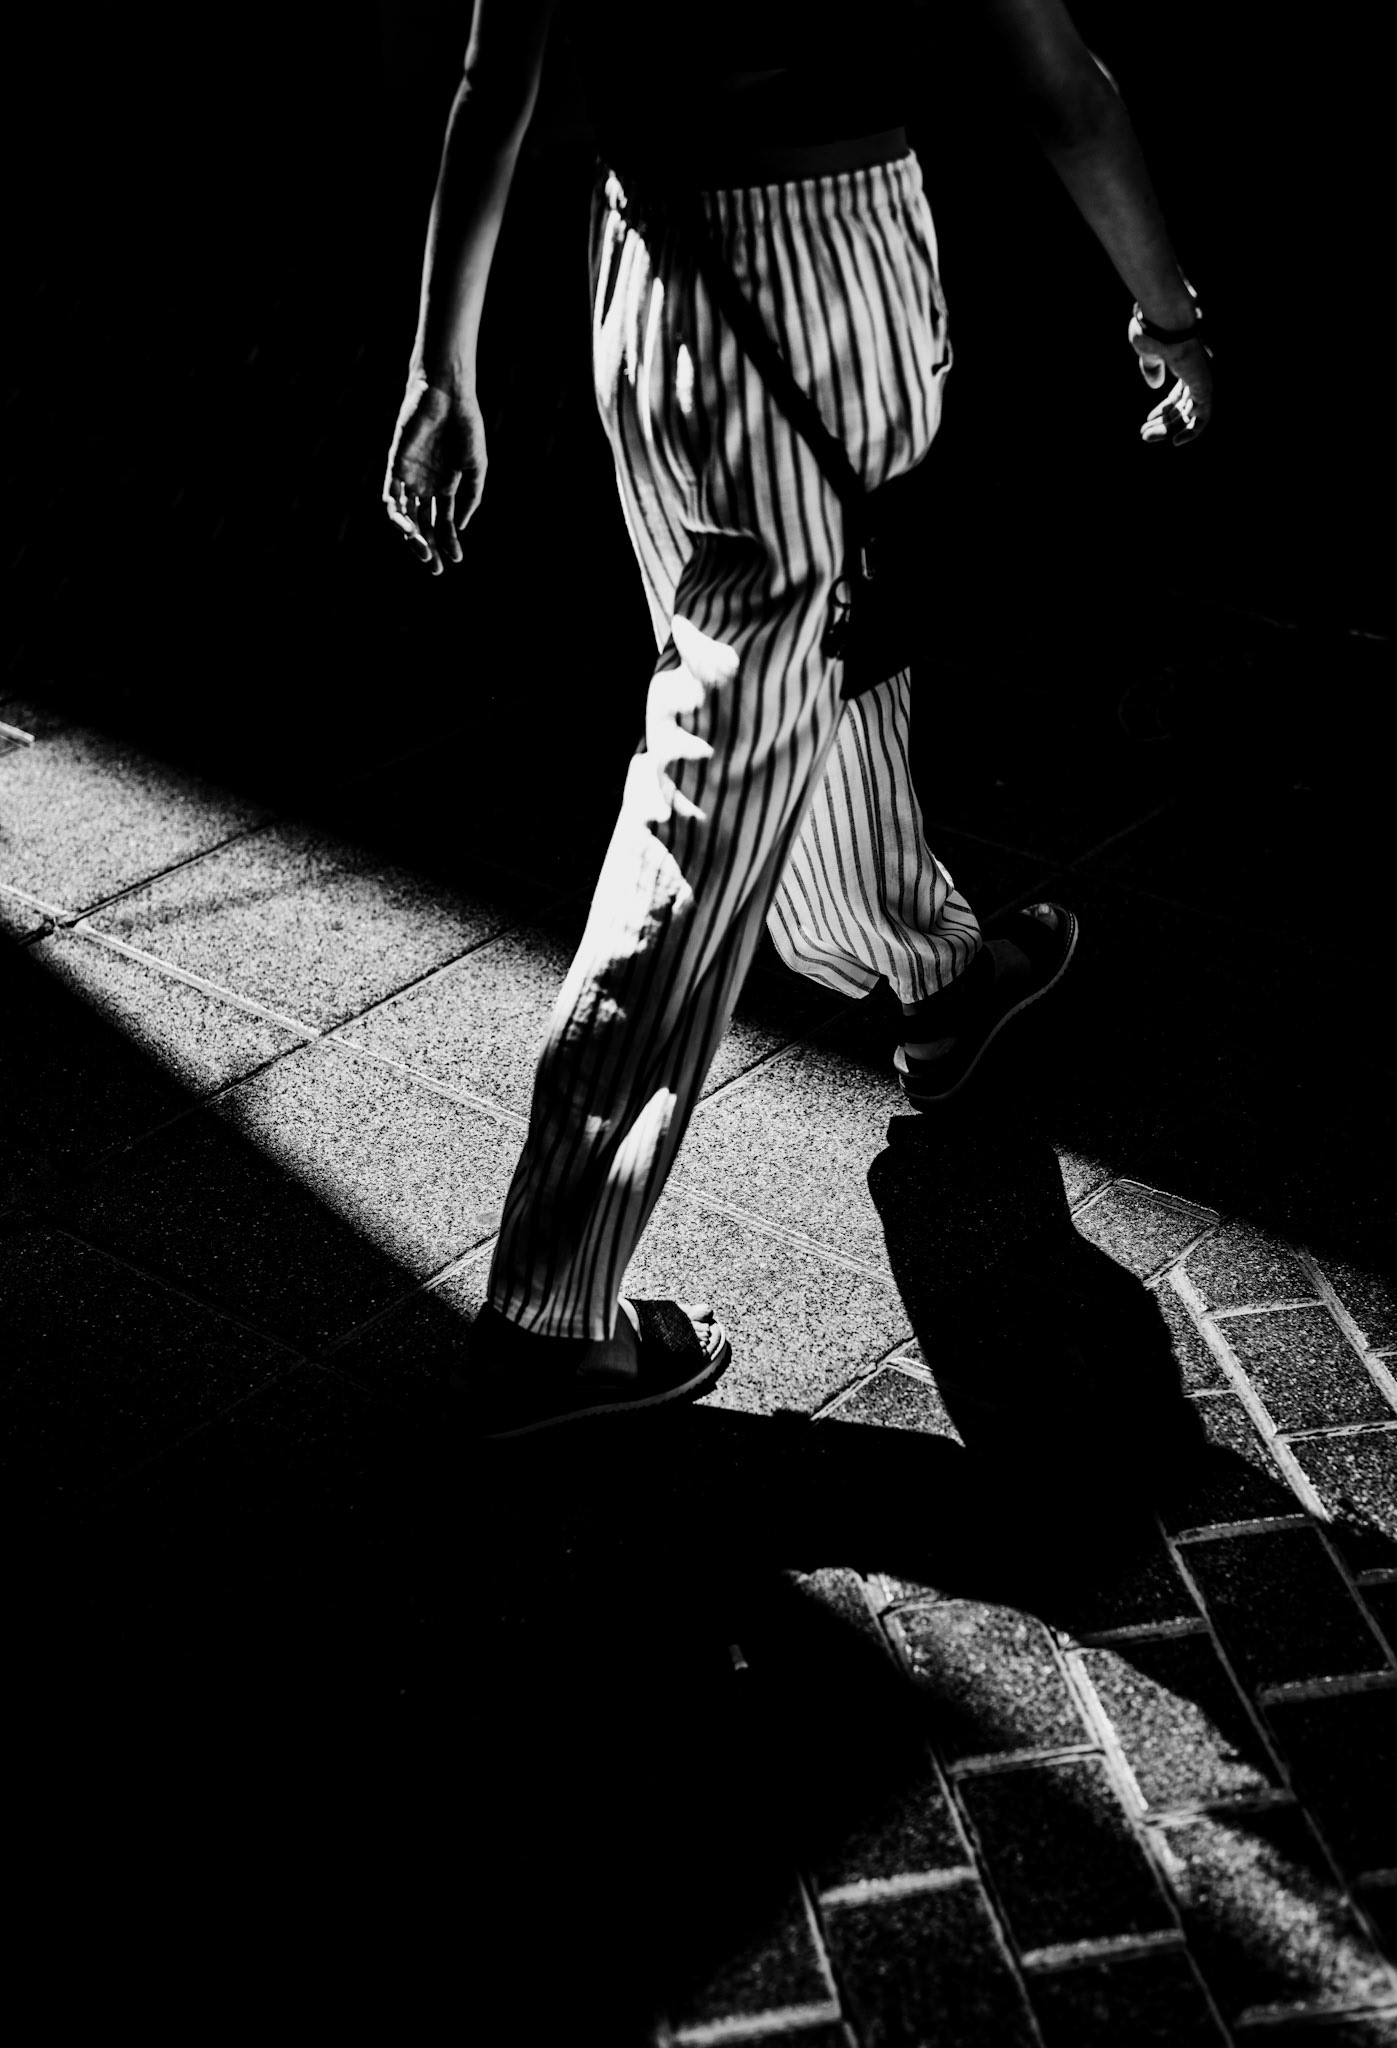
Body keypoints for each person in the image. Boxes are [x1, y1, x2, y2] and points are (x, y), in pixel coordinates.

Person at [382, 0, 1214, 1439]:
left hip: (650, 265)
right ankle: (548, 1300)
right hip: (826, 257)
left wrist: (437, 364)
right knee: (716, 763)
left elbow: (496, 68)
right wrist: (1168, 310)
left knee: (820, 635)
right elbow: (1050, 73)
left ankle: (927, 969)